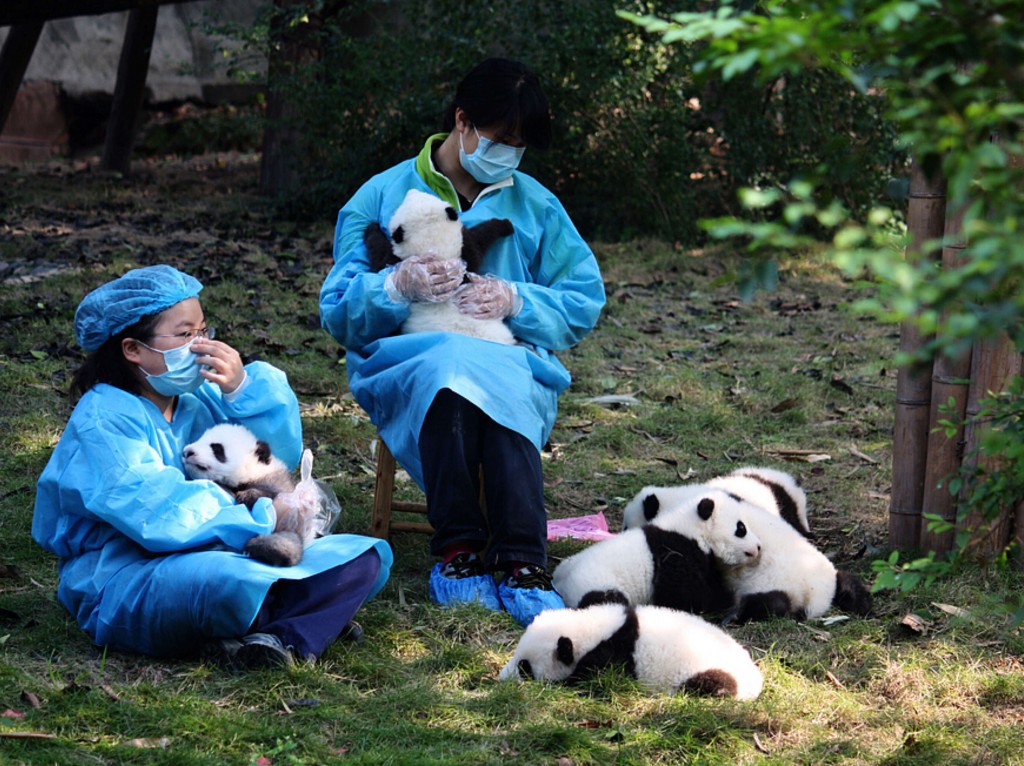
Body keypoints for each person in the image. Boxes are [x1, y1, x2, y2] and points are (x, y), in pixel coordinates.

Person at [319, 58, 605, 626]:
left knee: (485, 375)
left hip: (509, 353)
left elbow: (583, 299)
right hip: (408, 359)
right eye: (499, 139)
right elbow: (338, 310)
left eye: (518, 145)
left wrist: (517, 301)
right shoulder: (380, 194)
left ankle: (522, 561)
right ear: (462, 121)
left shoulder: (537, 205)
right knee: (449, 370)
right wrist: (394, 286)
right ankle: (461, 552)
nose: (508, 154)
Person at [33, 265, 393, 669]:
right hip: (125, 574)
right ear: (133, 349)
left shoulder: (197, 397)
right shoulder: (104, 417)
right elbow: (156, 511)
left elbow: (275, 456)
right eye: (185, 334)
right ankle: (303, 621)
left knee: (366, 558)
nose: (201, 344)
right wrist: (262, 517)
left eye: (203, 330)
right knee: (229, 584)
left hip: (224, 548)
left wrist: (241, 389)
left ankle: (274, 634)